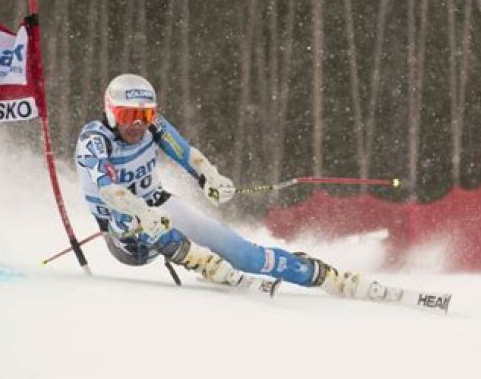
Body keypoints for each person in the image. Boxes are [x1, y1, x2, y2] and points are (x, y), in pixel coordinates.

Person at [75, 73, 362, 295]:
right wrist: (141, 211)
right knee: (133, 218)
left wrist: (210, 177)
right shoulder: (94, 140)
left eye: (145, 115)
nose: (138, 125)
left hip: (158, 206)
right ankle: (204, 263)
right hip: (122, 230)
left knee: (242, 253)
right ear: (111, 112)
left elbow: (185, 154)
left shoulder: (156, 126)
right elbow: (108, 189)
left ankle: (315, 273)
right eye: (129, 116)